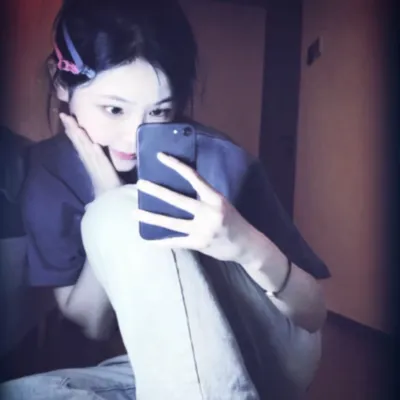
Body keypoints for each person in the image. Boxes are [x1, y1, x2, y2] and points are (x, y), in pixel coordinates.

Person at [0, 0, 330, 398]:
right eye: (114, 109)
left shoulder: (220, 158)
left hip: (273, 349)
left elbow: (312, 316)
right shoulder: (48, 174)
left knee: (117, 213)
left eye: (160, 112)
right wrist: (109, 197)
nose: (133, 138)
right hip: (161, 363)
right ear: (61, 82)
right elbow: (91, 324)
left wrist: (244, 242)